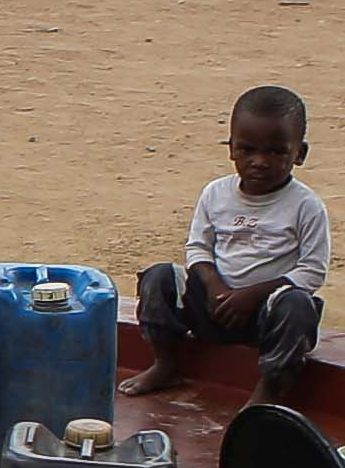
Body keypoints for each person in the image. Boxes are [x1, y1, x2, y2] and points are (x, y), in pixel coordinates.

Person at [138, 85, 332, 414]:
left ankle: (269, 389)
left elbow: (312, 271)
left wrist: (252, 295)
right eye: (247, 149)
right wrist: (215, 287)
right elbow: (198, 248)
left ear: (300, 153)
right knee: (159, 278)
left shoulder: (306, 206)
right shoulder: (216, 194)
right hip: (214, 304)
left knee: (299, 306)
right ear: (231, 149)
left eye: (276, 152)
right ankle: (166, 364)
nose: (259, 161)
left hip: (265, 314)